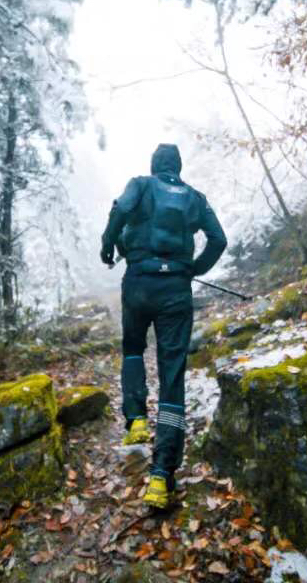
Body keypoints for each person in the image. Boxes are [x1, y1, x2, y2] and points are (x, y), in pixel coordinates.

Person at [100, 143, 226, 508]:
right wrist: (194, 269)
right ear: (179, 168)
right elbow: (219, 239)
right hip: (176, 292)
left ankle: (136, 418)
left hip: (138, 284)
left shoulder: (139, 185)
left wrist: (108, 244)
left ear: (154, 167)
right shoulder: (195, 198)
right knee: (172, 375)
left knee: (133, 349)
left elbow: (120, 210)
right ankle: (161, 476)